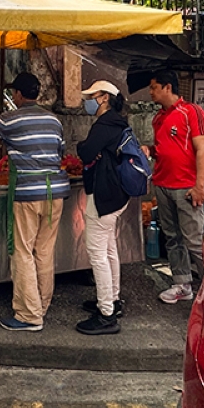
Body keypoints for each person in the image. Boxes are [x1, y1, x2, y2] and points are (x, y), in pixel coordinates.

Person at [0, 72, 69, 332]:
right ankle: (41, 305)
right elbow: (60, 153)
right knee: (44, 251)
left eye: (14, 92)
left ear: (19, 95)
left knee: (23, 252)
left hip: (28, 193)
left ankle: (29, 315)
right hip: (55, 192)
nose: (13, 96)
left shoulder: (12, 118)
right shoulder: (54, 120)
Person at [143, 69, 204, 304]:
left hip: (186, 187)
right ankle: (182, 284)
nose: (150, 92)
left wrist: (199, 186)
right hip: (162, 184)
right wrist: (149, 150)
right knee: (172, 238)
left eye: (153, 87)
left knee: (194, 240)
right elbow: (163, 148)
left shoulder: (191, 112)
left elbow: (202, 149)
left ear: (167, 87)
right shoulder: (158, 117)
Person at [75, 80, 131, 336]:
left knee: (97, 253)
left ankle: (106, 313)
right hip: (118, 194)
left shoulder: (105, 124)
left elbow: (86, 152)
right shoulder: (119, 123)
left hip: (104, 195)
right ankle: (112, 300)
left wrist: (83, 149)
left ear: (105, 98)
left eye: (92, 96)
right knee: (109, 250)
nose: (87, 100)